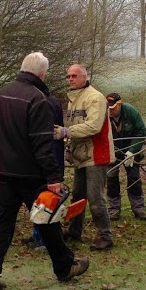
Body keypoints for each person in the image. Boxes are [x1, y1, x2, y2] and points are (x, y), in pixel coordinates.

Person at [0, 52, 89, 290]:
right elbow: (42, 143)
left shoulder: (0, 95)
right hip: (31, 173)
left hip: (5, 171)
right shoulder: (38, 99)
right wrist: (53, 177)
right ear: (41, 73)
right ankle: (64, 266)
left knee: (2, 225)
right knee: (48, 221)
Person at [56, 63, 115, 250]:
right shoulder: (74, 98)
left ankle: (105, 236)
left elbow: (93, 127)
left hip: (96, 155)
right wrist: (69, 148)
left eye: (74, 76)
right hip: (81, 155)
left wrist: (66, 132)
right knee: (78, 196)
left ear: (84, 77)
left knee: (95, 198)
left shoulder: (95, 98)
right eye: (68, 76)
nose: (70, 79)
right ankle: (74, 231)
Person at [25, 91, 66, 248]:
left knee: (47, 201)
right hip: (49, 159)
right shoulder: (49, 102)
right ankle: (38, 235)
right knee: (40, 200)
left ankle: (45, 239)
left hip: (50, 161)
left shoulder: (46, 104)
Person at [104, 93, 146, 220]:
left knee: (134, 178)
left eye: (112, 108)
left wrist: (132, 151)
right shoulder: (103, 114)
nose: (110, 111)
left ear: (119, 105)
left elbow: (141, 131)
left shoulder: (130, 111)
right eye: (108, 108)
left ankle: (139, 209)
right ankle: (113, 210)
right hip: (113, 152)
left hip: (131, 152)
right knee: (111, 179)